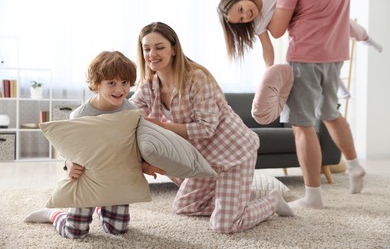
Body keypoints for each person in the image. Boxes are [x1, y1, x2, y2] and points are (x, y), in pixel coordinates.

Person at [129, 21, 294, 234]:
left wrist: (162, 125)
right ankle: (238, 201)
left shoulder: (197, 78)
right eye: (147, 48)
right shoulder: (149, 86)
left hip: (233, 154)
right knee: (183, 207)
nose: (152, 54)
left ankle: (271, 201)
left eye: (159, 47)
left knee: (224, 225)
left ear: (173, 49)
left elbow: (206, 128)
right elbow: (129, 113)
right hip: (204, 161)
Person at [24, 50, 165, 239]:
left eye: (124, 82)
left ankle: (101, 206)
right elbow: (70, 148)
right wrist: (69, 164)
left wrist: (144, 165)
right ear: (97, 84)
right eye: (111, 83)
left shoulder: (131, 112)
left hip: (116, 178)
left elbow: (133, 146)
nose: (120, 89)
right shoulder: (80, 115)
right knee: (74, 232)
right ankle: (54, 214)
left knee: (117, 229)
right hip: (87, 179)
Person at [264, 0, 367, 209]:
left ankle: (313, 196)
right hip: (335, 55)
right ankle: (354, 165)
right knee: (330, 113)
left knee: (302, 125)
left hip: (305, 56)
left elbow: (276, 30)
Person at [217, 0, 383, 67]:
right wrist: (269, 68)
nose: (246, 15)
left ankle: (366, 38)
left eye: (241, 10)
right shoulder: (257, 24)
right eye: (241, 20)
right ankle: (339, 87)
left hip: (305, 5)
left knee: (343, 23)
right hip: (298, 19)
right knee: (320, 52)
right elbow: (267, 48)